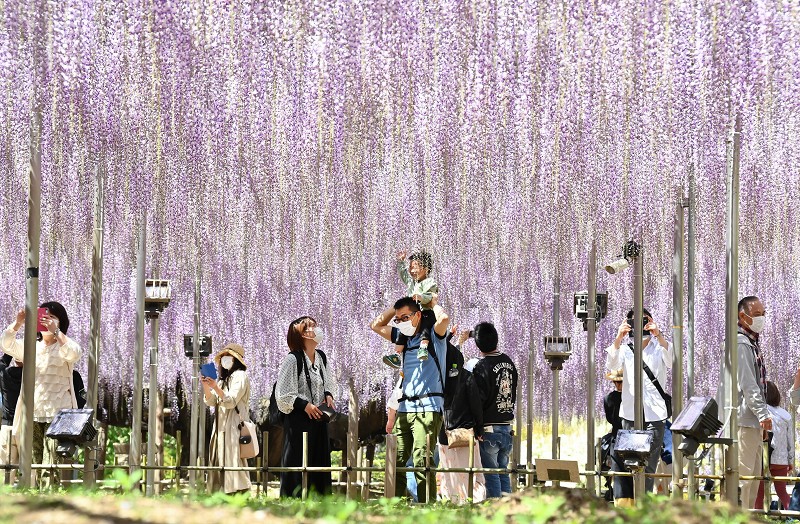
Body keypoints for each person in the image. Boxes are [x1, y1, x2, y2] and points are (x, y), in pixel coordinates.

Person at [370, 295, 450, 503]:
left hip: (428, 406)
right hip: (405, 408)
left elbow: (444, 320)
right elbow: (376, 325)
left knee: (422, 460)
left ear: (418, 315)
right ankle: (396, 507)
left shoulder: (433, 336)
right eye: (398, 319)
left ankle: (426, 507)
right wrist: (395, 308)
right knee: (395, 459)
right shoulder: (402, 337)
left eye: (406, 317)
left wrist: (431, 303)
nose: (401, 322)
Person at [0, 303, 81, 485]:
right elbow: (6, 345)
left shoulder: (65, 345)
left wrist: (56, 333)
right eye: (44, 317)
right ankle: (37, 498)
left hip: (58, 414)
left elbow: (74, 354)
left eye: (52, 317)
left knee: (51, 463)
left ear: (61, 322)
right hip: (33, 411)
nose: (47, 321)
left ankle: (50, 498)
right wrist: (18, 323)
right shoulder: (30, 346)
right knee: (34, 462)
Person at [605, 308, 672, 506]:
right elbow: (611, 363)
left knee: (649, 465)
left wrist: (658, 334)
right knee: (631, 463)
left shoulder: (658, 347)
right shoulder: (625, 349)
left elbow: (672, 360)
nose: (638, 326)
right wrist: (619, 337)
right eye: (633, 322)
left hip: (655, 415)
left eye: (642, 321)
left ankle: (645, 507)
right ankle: (631, 506)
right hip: (630, 414)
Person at [717, 296, 771, 509]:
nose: (762, 319)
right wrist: (763, 414)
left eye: (763, 314)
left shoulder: (749, 342)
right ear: (742, 316)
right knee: (742, 479)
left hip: (750, 421)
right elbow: (749, 384)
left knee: (752, 479)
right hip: (741, 420)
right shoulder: (740, 343)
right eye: (757, 315)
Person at [275, 316, 337, 498]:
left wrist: (329, 394)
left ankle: (320, 500)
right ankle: (292, 500)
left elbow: (330, 382)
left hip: (319, 417)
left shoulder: (321, 357)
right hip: (299, 419)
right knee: (297, 460)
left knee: (320, 460)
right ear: (301, 334)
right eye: (311, 327)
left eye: (316, 326)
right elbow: (283, 393)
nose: (317, 330)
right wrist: (304, 405)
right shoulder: (292, 359)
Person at [461, 322, 518, 499]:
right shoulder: (509, 362)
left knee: (491, 475)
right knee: (503, 473)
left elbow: (478, 401)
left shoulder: (481, 366)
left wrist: (477, 427)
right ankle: (509, 509)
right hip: (507, 427)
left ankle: (496, 512)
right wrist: (472, 334)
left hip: (489, 429)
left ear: (478, 345)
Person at [201, 343, 252, 494]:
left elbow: (230, 401)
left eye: (227, 357)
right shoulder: (223, 380)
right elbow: (211, 401)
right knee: (218, 457)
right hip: (220, 426)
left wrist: (215, 387)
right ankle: (218, 492)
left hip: (234, 425)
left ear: (235, 360)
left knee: (234, 458)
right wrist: (206, 385)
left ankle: (238, 492)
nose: (224, 360)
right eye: (222, 358)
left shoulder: (241, 376)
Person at [383, 251, 438, 368]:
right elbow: (403, 274)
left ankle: (423, 347)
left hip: (424, 311)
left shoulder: (429, 282)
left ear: (426, 269)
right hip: (412, 314)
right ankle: (397, 355)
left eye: (415, 267)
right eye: (410, 267)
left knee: (426, 325)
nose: (411, 270)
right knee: (403, 330)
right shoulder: (411, 282)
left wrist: (421, 297)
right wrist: (400, 262)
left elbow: (430, 296)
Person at [755, 381, 793, 510]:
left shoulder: (760, 412)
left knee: (758, 494)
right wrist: (790, 461)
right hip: (781, 460)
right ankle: (794, 516)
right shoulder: (786, 415)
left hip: (762, 457)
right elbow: (790, 441)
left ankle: (757, 519)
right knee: (782, 493)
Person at [601, 369, 623, 501]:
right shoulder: (632, 397)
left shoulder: (608, 398)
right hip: (629, 435)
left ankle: (617, 497)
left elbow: (610, 419)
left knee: (617, 469)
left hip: (615, 436)